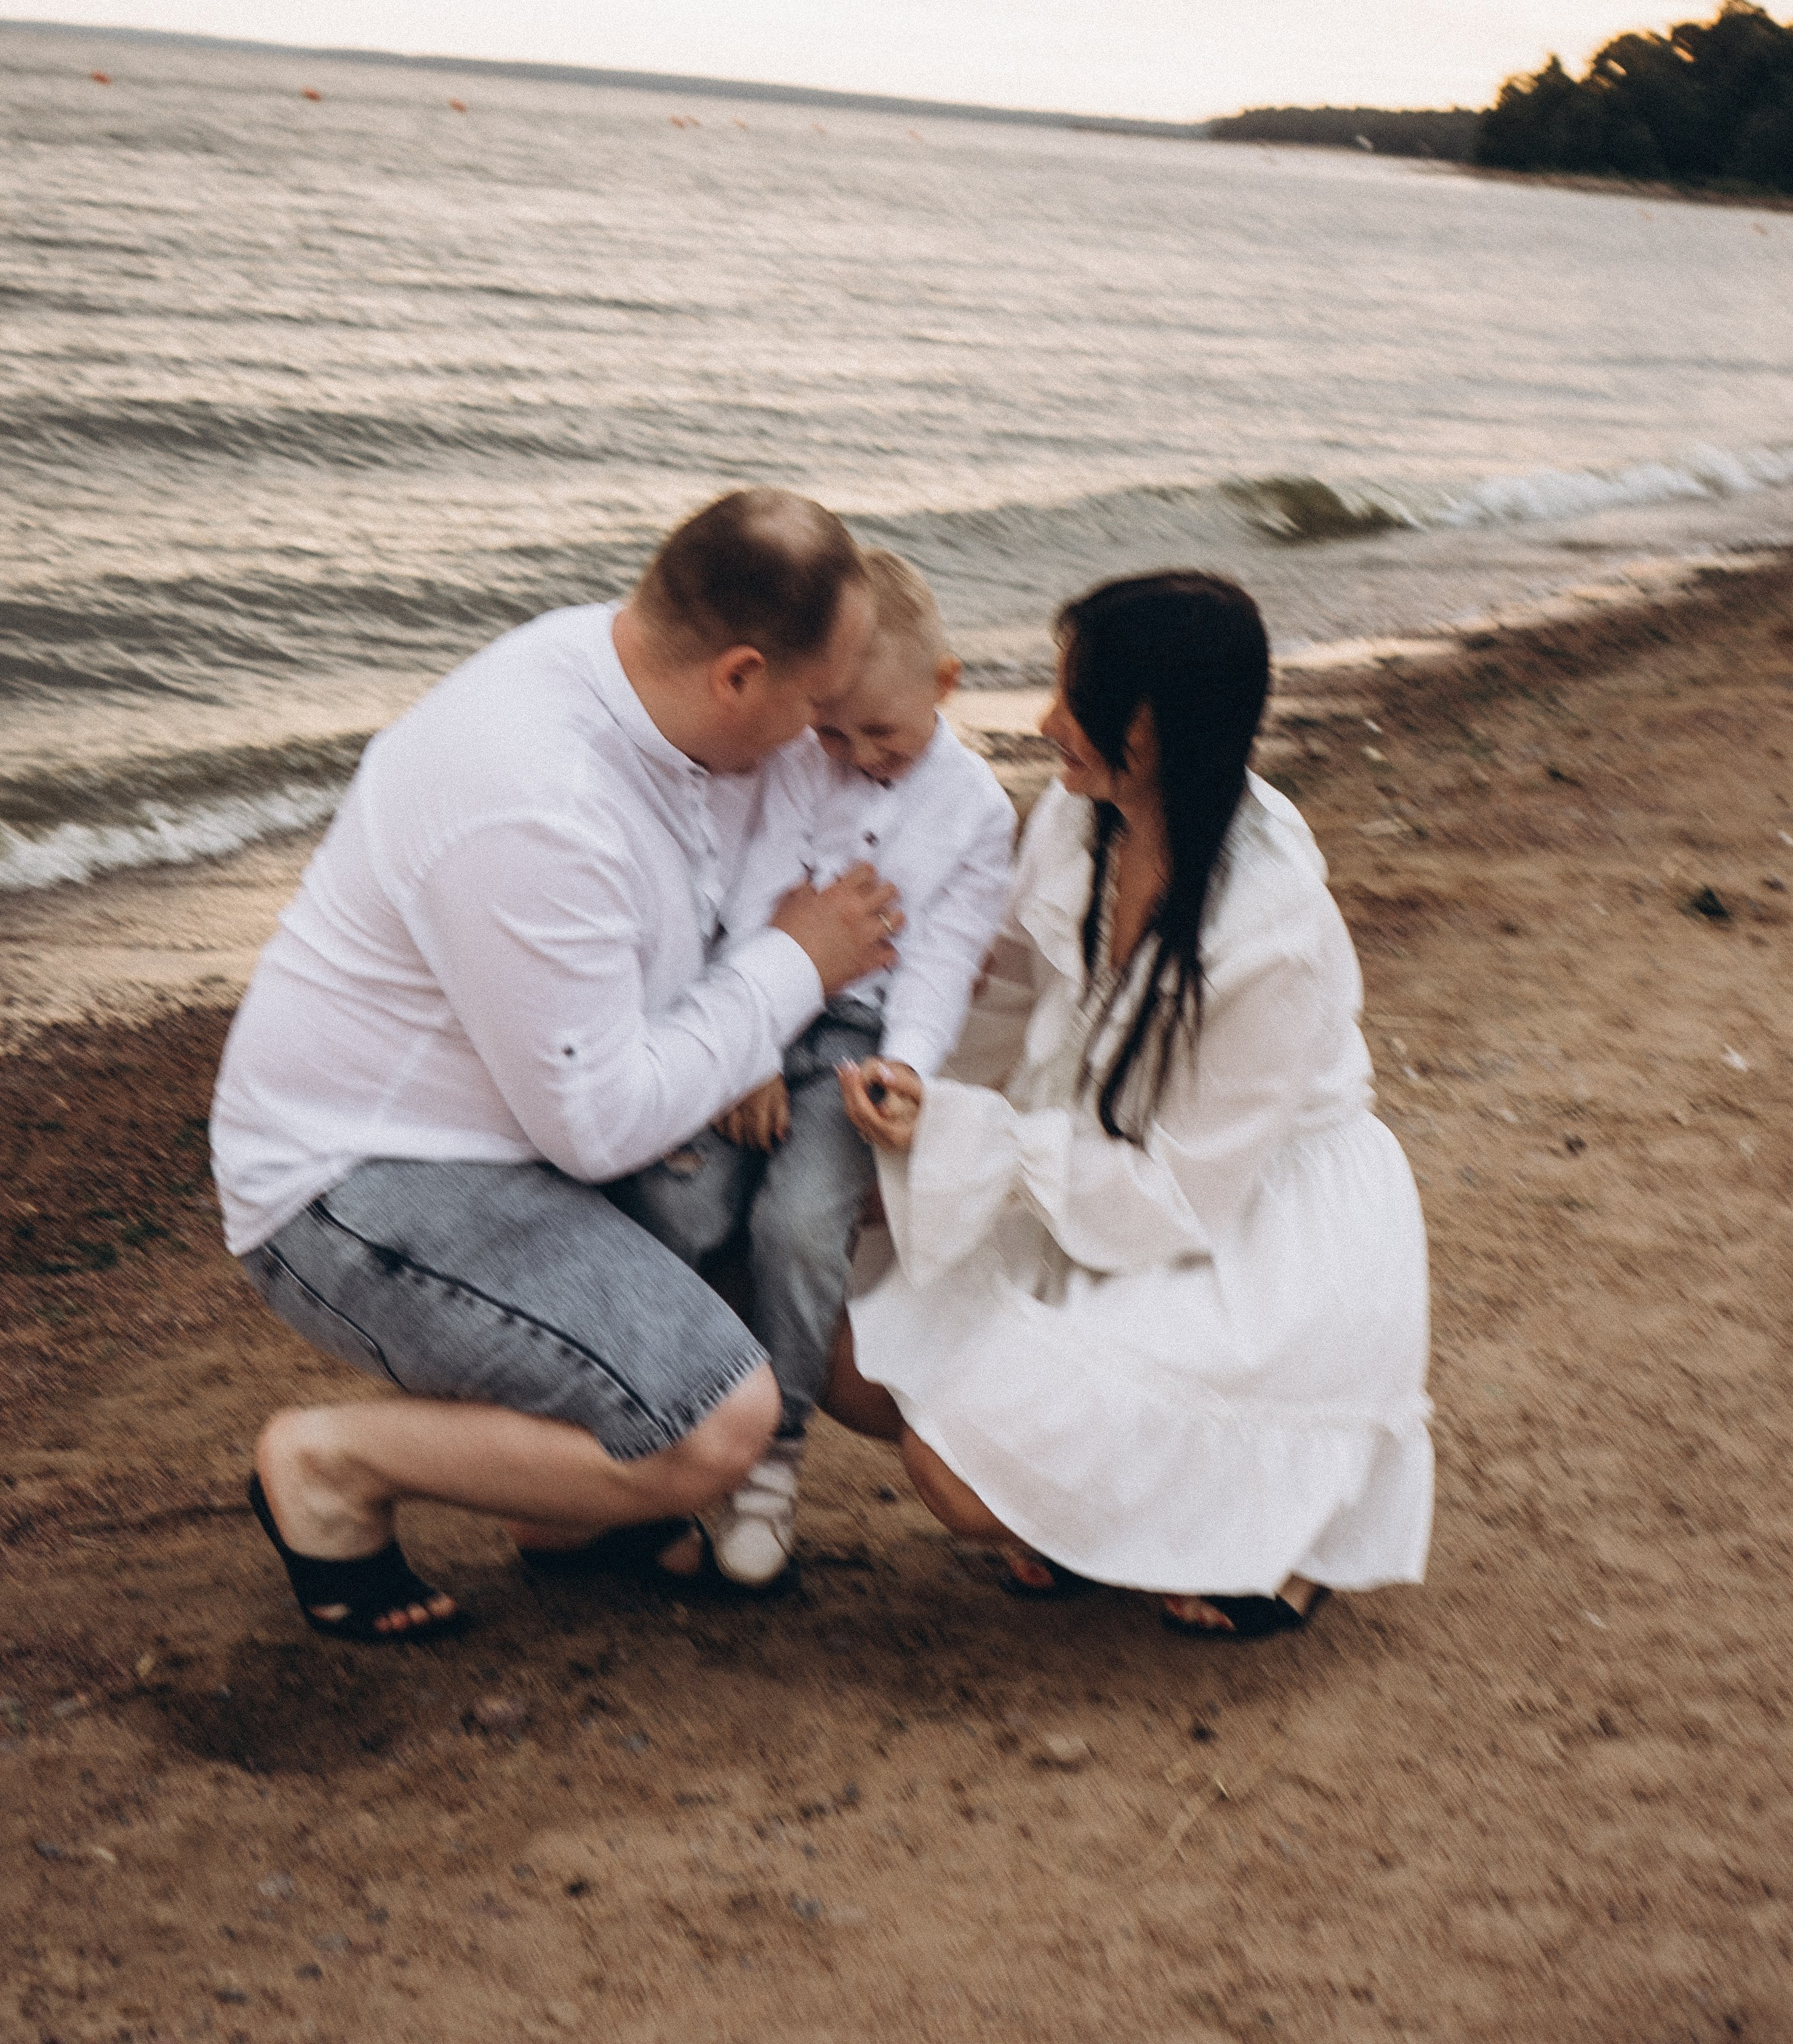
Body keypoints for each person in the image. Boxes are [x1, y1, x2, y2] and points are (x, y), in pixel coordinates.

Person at [210, 489, 904, 1643]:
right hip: (360, 1185)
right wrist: (801, 964)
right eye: (816, 709)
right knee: (712, 1420)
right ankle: (329, 1466)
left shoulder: (665, 701)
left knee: (781, 1242)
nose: (821, 742)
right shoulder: (535, 794)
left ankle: (564, 1510)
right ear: (738, 674)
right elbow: (602, 1119)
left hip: (519, 1139)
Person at [831, 569, 1432, 1638]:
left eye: (1074, 700)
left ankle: (1264, 1543)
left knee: (957, 1474)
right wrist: (912, 1091)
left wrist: (971, 1143)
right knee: (847, 1355)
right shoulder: (1079, 819)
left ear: (1147, 731)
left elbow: (1179, 1193)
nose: (1046, 722)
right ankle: (1096, 1521)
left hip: (1243, 1226)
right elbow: (1010, 992)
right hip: (1086, 1148)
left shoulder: (1271, 929)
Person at [610, 550, 1015, 1586]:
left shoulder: (975, 813)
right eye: (832, 728)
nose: (854, 753)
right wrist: (745, 1043)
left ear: (946, 684)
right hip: (754, 1012)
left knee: (798, 1226)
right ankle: (664, 1423)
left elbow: (942, 959)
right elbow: (750, 898)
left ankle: (770, 1459)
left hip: (858, 1049)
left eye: (880, 732)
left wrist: (909, 1070)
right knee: (687, 1206)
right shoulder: (799, 763)